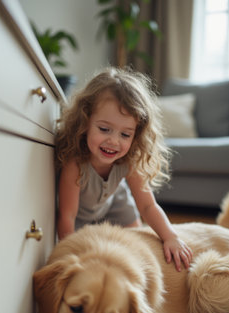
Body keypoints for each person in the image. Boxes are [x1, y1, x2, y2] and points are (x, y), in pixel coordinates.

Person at [55, 67, 192, 271]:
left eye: (125, 135)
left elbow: (148, 206)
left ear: (136, 135)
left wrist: (170, 237)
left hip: (116, 204)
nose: (113, 141)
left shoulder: (129, 160)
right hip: (81, 215)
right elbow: (67, 216)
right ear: (85, 122)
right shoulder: (75, 165)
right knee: (88, 251)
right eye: (104, 129)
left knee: (135, 248)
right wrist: (69, 254)